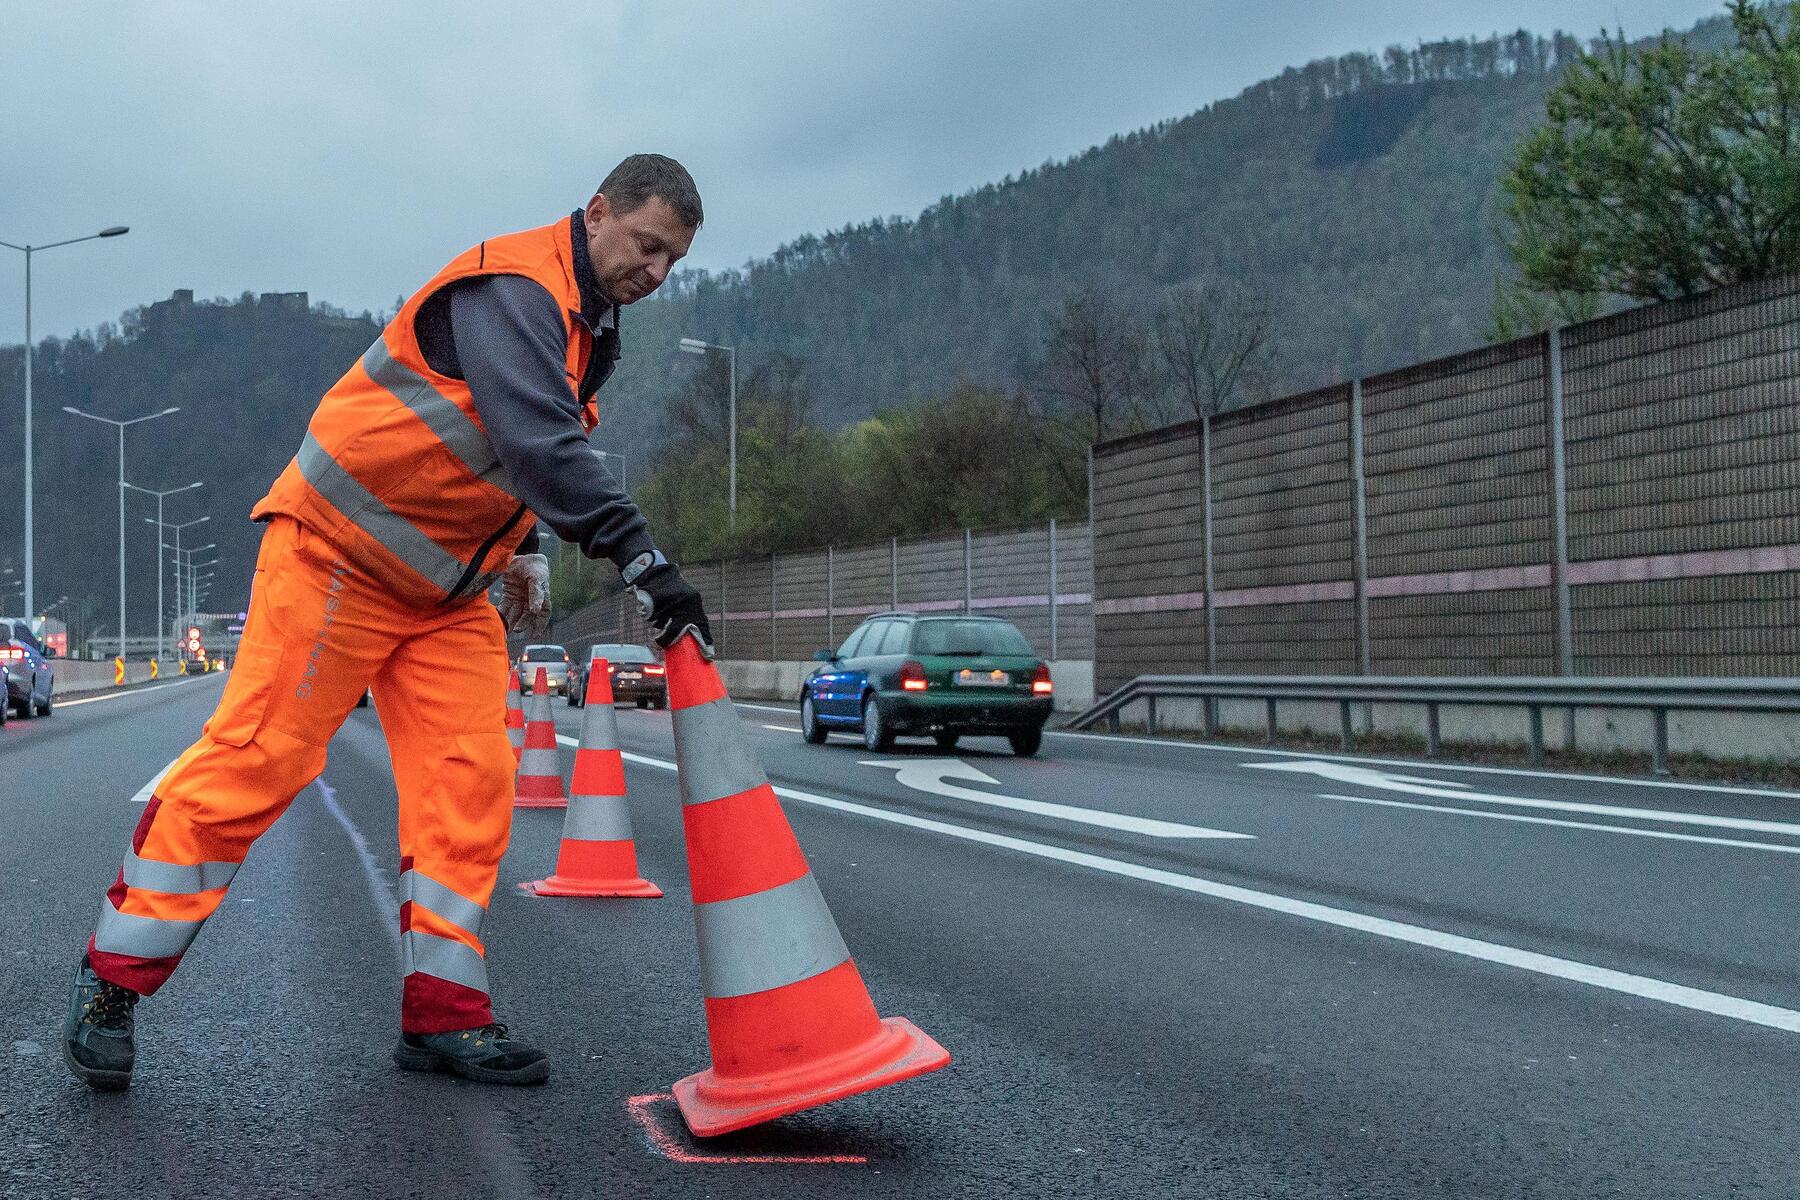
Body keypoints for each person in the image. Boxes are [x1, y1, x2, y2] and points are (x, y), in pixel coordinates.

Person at [62, 154, 714, 1091]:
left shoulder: (585, 320)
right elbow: (538, 436)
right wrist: (643, 558)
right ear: (599, 211)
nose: (655, 272)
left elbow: (500, 444)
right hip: (337, 557)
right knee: (258, 760)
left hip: (444, 597)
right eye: (648, 246)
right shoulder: (518, 287)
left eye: (673, 262)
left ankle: (443, 1018)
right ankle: (111, 984)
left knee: (470, 783)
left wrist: (523, 545)